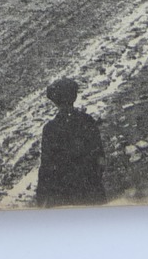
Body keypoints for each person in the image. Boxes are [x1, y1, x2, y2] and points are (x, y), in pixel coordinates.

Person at [35, 78, 106, 207]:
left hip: (62, 196)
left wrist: (41, 196)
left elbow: (46, 166)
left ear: (55, 101)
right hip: (90, 191)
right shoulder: (88, 121)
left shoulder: (51, 128)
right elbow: (100, 158)